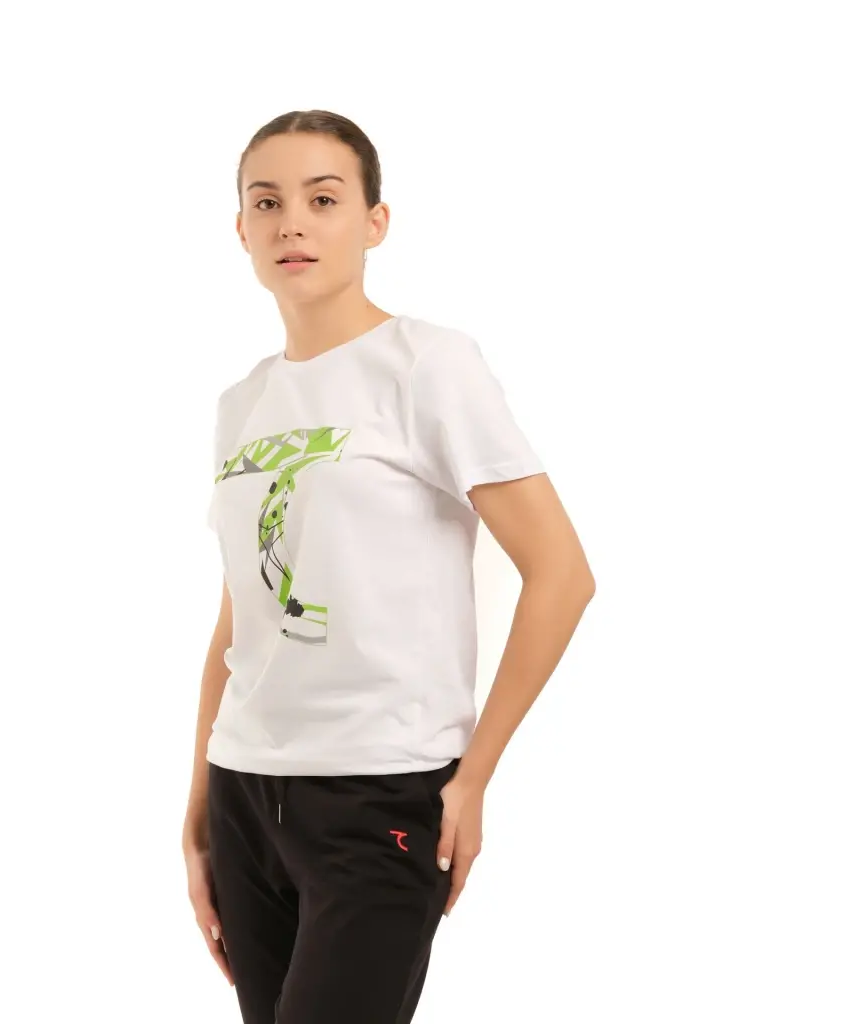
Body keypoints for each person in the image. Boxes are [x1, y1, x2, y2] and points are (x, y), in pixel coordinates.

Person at [181, 109, 596, 1024]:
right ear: (241, 229)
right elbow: (239, 615)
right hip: (245, 792)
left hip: (380, 792)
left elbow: (562, 573)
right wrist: (201, 806)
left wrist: (475, 775)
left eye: (323, 199)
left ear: (374, 221)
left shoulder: (427, 365)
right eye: (267, 202)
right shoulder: (242, 402)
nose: (292, 223)